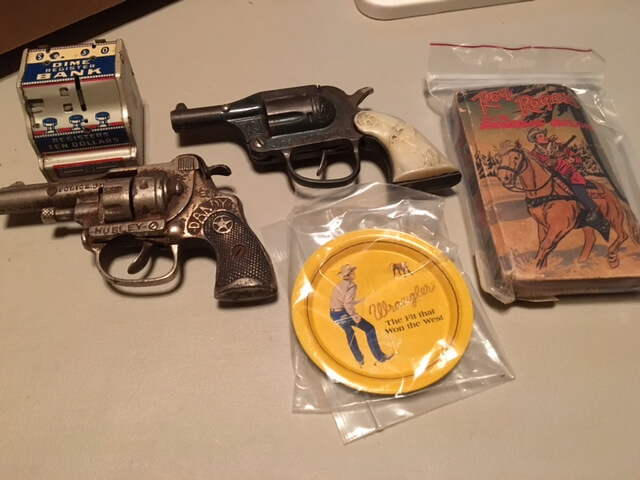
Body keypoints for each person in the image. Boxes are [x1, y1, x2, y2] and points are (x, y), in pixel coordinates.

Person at [526, 127, 609, 238]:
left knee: (578, 191)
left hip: (571, 175)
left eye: (544, 135)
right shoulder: (535, 154)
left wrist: (571, 159)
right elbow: (538, 170)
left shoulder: (559, 146)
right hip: (554, 179)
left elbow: (578, 159)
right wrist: (547, 165)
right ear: (535, 140)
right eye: (540, 136)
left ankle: (595, 210)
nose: (544, 137)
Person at [329, 264, 394, 367]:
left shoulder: (340, 285)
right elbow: (347, 303)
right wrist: (354, 315)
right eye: (352, 272)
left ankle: (360, 360)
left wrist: (358, 301)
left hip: (334, 314)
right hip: (343, 314)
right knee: (369, 329)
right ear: (349, 274)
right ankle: (380, 357)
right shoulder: (352, 286)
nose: (354, 273)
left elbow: (343, 301)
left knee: (350, 334)